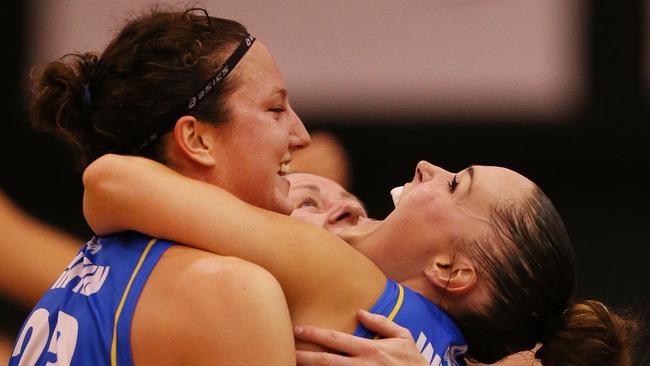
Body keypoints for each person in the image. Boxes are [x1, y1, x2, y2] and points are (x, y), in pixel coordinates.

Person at [82, 155, 640, 365]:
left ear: (451, 270)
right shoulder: (443, 349)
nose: (424, 166)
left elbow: (112, 182)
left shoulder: (336, 274)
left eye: (452, 185)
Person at [10, 7, 312, 365]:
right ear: (196, 139)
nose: (301, 135)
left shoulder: (75, 281)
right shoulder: (229, 289)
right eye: (275, 109)